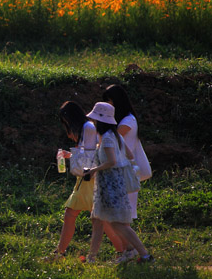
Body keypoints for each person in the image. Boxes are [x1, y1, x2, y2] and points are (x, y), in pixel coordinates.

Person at [45, 101, 124, 261]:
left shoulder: (87, 128)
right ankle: (123, 251)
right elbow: (86, 153)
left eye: (65, 120)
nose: (65, 124)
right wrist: (69, 154)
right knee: (99, 219)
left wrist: (74, 157)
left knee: (76, 215)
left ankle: (60, 253)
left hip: (89, 177)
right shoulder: (87, 128)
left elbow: (89, 156)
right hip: (88, 177)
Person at [82, 101, 153, 264]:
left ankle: (144, 254)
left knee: (119, 224)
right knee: (100, 221)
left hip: (110, 185)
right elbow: (129, 155)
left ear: (99, 121)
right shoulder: (116, 136)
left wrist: (93, 170)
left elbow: (112, 161)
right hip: (114, 184)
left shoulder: (107, 139)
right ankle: (92, 257)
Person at [102, 84, 153, 226]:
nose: (108, 104)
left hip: (126, 170)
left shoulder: (128, 121)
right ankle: (126, 246)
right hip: (121, 169)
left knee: (123, 216)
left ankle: (130, 247)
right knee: (118, 216)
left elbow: (113, 140)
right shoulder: (124, 120)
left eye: (109, 101)